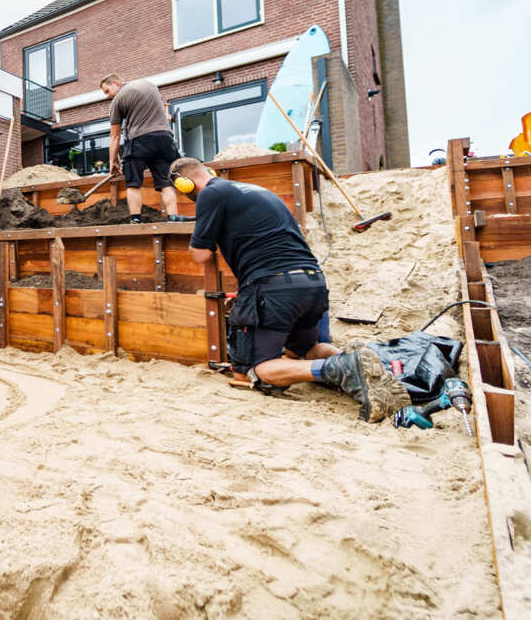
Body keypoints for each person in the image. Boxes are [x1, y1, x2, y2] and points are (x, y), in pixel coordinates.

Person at [173, 157, 409, 422]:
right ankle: (362, 365)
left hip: (274, 287)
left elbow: (200, 255)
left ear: (184, 183)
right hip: (313, 283)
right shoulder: (253, 190)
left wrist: (202, 234)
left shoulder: (211, 193)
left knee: (254, 371)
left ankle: (343, 366)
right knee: (305, 349)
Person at [99, 75, 185, 222]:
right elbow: (160, 114)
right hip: (164, 139)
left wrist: (113, 161)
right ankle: (173, 217)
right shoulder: (150, 85)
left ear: (115, 83)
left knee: (133, 184)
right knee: (166, 182)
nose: (107, 96)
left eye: (107, 91)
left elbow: (114, 135)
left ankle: (136, 219)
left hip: (139, 140)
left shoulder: (117, 101)